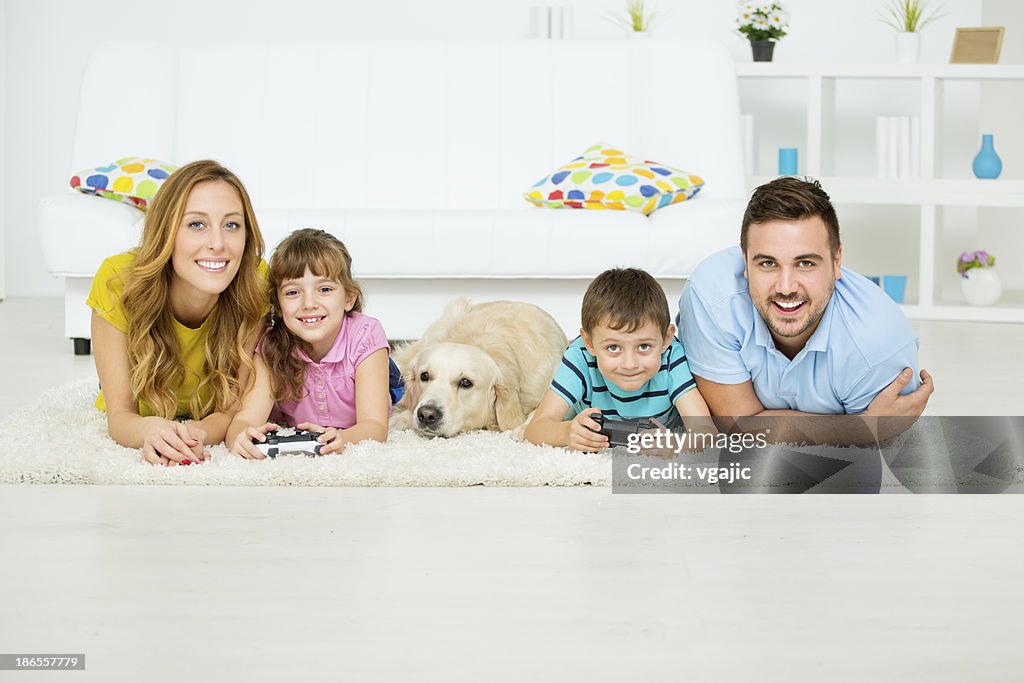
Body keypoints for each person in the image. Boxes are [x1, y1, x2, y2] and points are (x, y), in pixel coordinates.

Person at [676, 176, 934, 434]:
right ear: (745, 260)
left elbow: (880, 448)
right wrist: (859, 427)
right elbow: (739, 426)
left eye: (805, 263)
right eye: (768, 263)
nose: (786, 287)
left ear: (836, 261)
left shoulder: (877, 347)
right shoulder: (712, 297)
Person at [88, 160, 268, 466]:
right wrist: (151, 432)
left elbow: (229, 411)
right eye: (196, 224)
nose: (217, 244)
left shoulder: (256, 280)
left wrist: (193, 435)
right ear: (166, 231)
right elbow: (120, 417)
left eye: (231, 225)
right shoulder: (117, 280)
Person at [226, 229, 392, 458]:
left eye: (324, 289)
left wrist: (344, 438)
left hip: (368, 368)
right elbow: (245, 419)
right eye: (293, 292)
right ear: (278, 305)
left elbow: (375, 426)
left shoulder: (366, 334)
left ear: (349, 298)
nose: (309, 303)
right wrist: (240, 436)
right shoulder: (270, 345)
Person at [525, 267, 715, 453]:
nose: (629, 364)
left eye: (644, 346)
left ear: (666, 339)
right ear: (589, 343)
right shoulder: (579, 357)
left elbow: (706, 433)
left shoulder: (671, 355)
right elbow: (535, 430)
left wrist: (675, 444)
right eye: (613, 348)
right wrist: (567, 433)